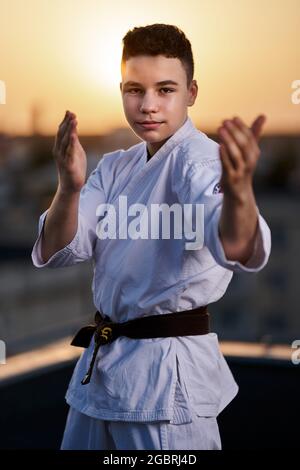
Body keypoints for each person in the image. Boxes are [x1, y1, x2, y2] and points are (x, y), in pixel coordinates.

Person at [31, 23, 271, 450]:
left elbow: (235, 246)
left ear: (191, 92)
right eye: (134, 90)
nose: (147, 106)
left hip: (166, 382)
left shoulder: (201, 163)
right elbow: (61, 249)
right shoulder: (114, 166)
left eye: (165, 90)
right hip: (100, 369)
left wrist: (239, 194)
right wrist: (68, 186)